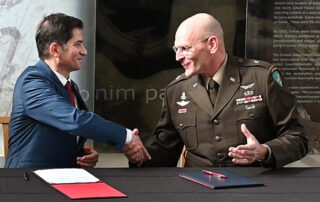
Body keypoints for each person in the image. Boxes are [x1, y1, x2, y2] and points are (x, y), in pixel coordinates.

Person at [126, 13, 308, 169]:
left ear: (212, 44)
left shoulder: (262, 78)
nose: (177, 57)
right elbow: (165, 153)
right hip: (196, 189)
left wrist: (264, 151)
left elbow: (297, 139)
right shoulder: (176, 90)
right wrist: (140, 155)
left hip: (255, 188)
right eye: (176, 49)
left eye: (185, 48)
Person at [5, 13, 150, 168]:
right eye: (78, 44)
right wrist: (126, 137)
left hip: (61, 179)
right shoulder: (32, 81)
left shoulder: (68, 85)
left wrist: (79, 155)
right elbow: (74, 120)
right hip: (27, 182)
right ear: (55, 49)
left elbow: (57, 131)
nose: (84, 51)